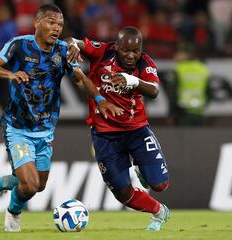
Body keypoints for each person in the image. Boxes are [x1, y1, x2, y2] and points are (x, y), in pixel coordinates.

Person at [0, 4, 123, 232]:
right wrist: (11, 73)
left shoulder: (63, 52)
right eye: (51, 22)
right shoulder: (20, 45)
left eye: (59, 25)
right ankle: (13, 215)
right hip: (18, 127)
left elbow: (79, 78)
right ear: (37, 22)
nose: (56, 28)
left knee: (39, 185)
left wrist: (100, 100)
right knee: (28, 185)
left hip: (45, 128)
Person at [66, 26, 170, 231]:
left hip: (137, 131)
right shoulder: (103, 51)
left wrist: (132, 81)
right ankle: (159, 212)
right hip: (105, 135)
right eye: (125, 50)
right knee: (122, 193)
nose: (131, 56)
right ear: (116, 46)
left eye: (135, 51)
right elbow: (74, 40)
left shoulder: (145, 63)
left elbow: (155, 90)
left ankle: (140, 166)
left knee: (160, 185)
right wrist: (71, 44)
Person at [168, 43, 210, 126]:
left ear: (186, 55)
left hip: (183, 112)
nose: (175, 55)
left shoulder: (179, 69)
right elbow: (209, 92)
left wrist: (171, 114)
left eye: (178, 53)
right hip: (200, 111)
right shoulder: (203, 68)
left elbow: (173, 93)